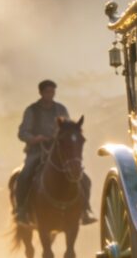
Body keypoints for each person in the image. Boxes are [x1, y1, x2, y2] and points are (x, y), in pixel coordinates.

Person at [14, 79, 95, 225]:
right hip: (37, 151)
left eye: (52, 92)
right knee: (24, 175)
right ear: (41, 93)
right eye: (47, 92)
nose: (50, 95)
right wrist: (35, 138)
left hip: (59, 151)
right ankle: (21, 211)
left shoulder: (60, 109)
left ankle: (84, 210)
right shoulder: (32, 110)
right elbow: (22, 132)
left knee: (85, 179)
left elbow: (69, 129)